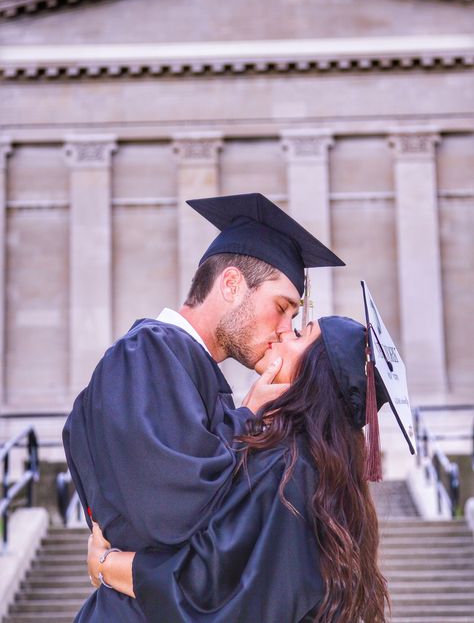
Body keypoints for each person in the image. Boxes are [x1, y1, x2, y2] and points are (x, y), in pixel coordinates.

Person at [63, 193, 344, 622]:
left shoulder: (191, 370)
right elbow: (168, 513)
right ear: (231, 285)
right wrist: (248, 417)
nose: (285, 329)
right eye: (281, 307)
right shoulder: (146, 354)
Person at [87, 316, 392, 623]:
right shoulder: (309, 468)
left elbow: (207, 585)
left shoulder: (287, 470)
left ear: (317, 373)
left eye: (300, 335)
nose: (285, 332)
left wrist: (105, 563)